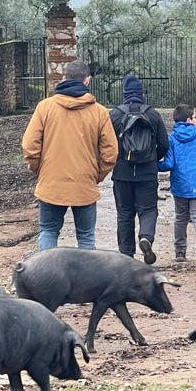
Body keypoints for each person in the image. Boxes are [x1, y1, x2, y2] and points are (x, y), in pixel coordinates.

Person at [21, 60, 118, 250]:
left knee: (48, 231)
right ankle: (85, 280)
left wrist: (38, 169)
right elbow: (111, 152)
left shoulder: (45, 107)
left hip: (51, 183)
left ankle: (46, 277)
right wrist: (97, 174)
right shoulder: (99, 112)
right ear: (87, 81)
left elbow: (29, 145)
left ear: (63, 78)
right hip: (84, 184)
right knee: (86, 237)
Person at [109, 74, 169, 264]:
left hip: (122, 173)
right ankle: (146, 237)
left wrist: (116, 161)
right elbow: (164, 144)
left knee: (125, 212)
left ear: (124, 94)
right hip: (147, 172)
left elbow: (106, 145)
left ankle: (127, 256)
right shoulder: (152, 114)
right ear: (142, 94)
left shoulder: (115, 115)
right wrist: (152, 158)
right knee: (149, 209)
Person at [157, 104, 196, 266]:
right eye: (195, 117)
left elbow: (168, 164)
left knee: (181, 218)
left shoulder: (172, 139)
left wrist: (154, 165)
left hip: (180, 185)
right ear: (189, 119)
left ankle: (180, 252)